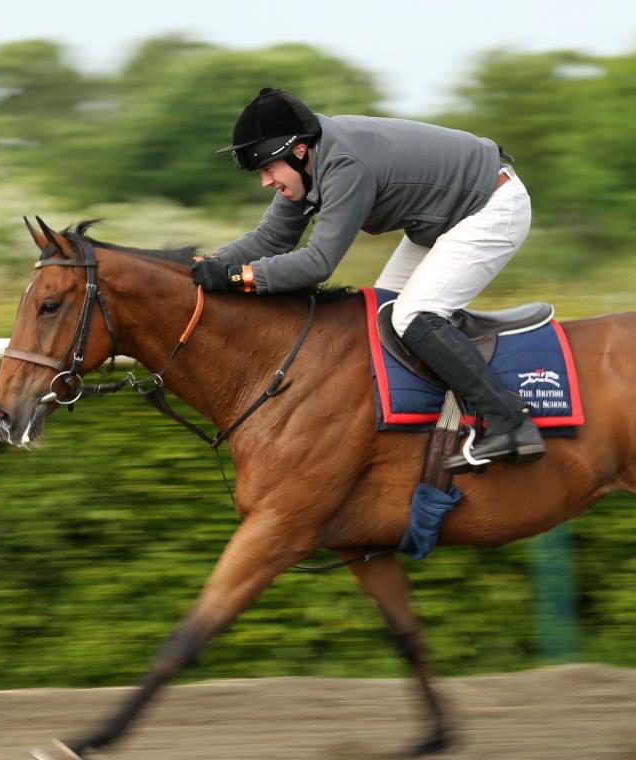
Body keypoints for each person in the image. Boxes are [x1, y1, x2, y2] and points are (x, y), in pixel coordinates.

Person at [191, 87, 542, 474]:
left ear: (299, 151)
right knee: (383, 313)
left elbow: (318, 263)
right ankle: (428, 426)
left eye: (269, 169)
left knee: (412, 316)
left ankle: (510, 422)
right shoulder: (310, 164)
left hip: (492, 208)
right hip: (445, 219)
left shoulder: (344, 164)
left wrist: (238, 277)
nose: (265, 181)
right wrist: (208, 263)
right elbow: (271, 238)